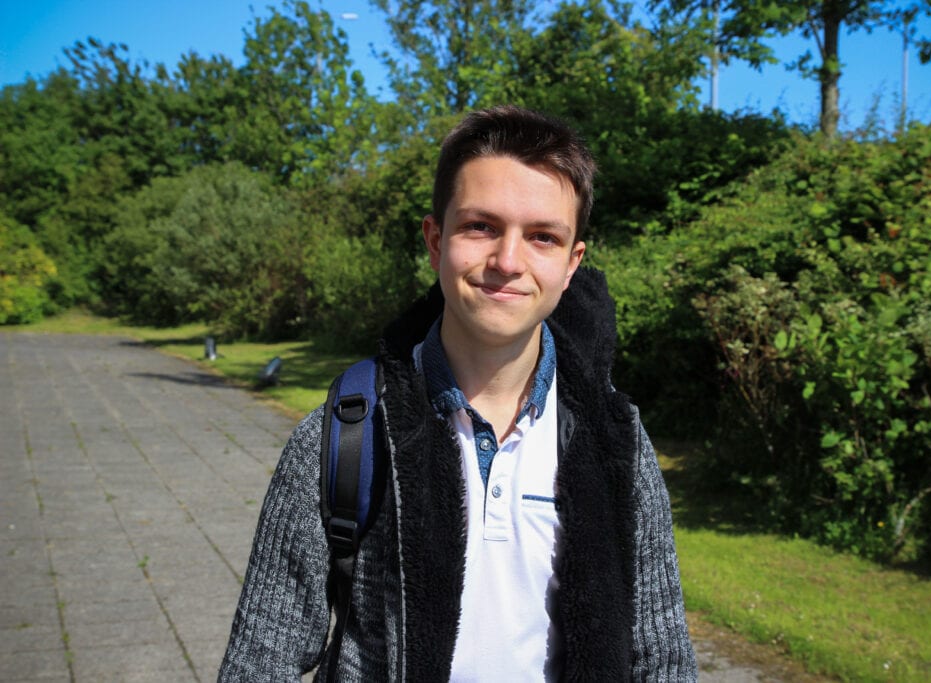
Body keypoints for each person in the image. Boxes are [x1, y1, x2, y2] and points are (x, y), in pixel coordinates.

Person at [219, 105, 698, 681]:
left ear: (572, 264)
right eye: (481, 227)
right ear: (434, 238)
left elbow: (662, 660)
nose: (508, 261)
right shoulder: (347, 436)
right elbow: (257, 663)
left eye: (543, 237)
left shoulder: (615, 437)